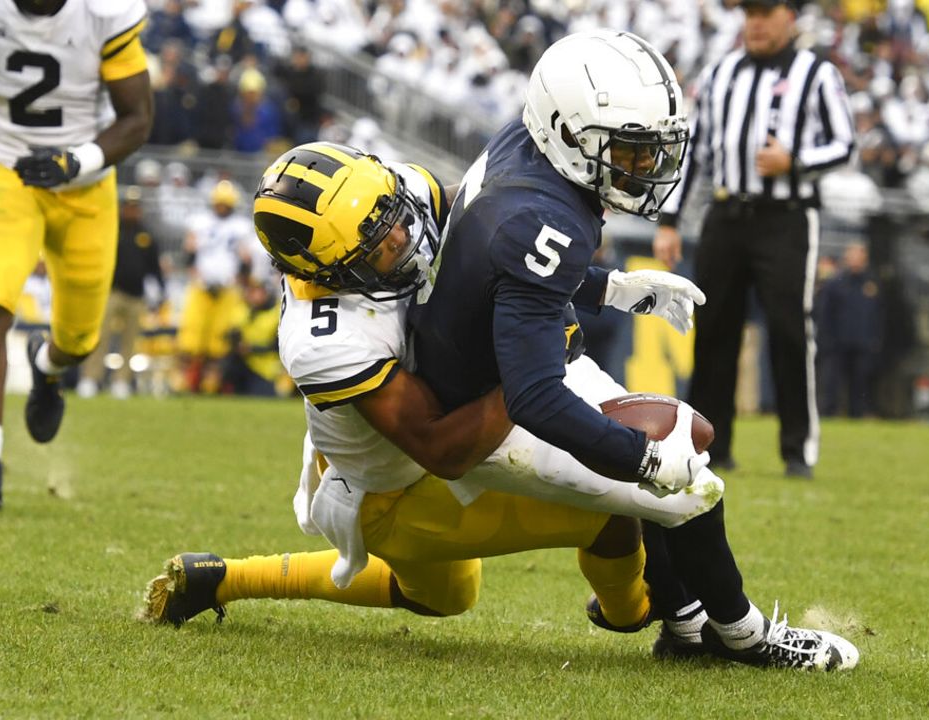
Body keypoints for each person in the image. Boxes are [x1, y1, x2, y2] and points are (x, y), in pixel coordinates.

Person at [142, 142, 721, 650]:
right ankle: (633, 612)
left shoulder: (391, 196)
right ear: (327, 273)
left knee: (591, 497)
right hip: (395, 486)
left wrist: (607, 287)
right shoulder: (326, 338)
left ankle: (223, 578)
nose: (402, 237)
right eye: (378, 248)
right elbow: (443, 450)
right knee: (470, 582)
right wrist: (526, 365)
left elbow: (492, 251)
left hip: (425, 434)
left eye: (393, 217)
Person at [411, 30, 857, 670]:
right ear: (569, 132)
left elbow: (510, 273)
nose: (645, 169)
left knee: (660, 433)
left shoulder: (524, 143)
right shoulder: (546, 217)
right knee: (687, 480)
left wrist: (615, 289)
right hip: (482, 414)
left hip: (485, 369)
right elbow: (535, 395)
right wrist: (641, 462)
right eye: (631, 151)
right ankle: (743, 637)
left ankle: (682, 623)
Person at [0, 0, 154, 509]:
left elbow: (137, 118)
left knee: (80, 339)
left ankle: (46, 366)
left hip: (85, 185)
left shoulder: (102, 12)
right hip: (8, 171)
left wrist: (76, 159)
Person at [652, 0, 856, 479]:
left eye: (766, 12)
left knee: (789, 330)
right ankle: (708, 446)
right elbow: (693, 152)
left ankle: (797, 450)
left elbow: (844, 144)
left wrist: (795, 160)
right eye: (749, 13)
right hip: (726, 213)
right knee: (715, 329)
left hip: (786, 218)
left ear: (790, 16)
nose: (756, 23)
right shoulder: (722, 72)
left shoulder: (816, 73)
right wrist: (669, 219)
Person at [78, 186, 165, 400]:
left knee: (130, 341)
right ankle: (90, 378)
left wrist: (161, 291)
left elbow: (154, 267)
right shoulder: (111, 230)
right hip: (112, 293)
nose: (131, 211)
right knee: (100, 337)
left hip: (136, 296)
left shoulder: (146, 235)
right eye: (127, 206)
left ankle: (121, 382)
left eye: (134, 207)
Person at [176, 180, 254, 394]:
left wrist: (239, 282)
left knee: (219, 339)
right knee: (191, 335)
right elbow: (189, 253)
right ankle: (185, 380)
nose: (221, 207)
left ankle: (211, 381)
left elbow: (245, 259)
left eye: (224, 203)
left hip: (227, 289)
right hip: (200, 286)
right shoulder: (199, 222)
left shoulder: (240, 226)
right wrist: (195, 274)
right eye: (219, 203)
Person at [814, 242, 881, 418]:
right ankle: (828, 414)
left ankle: (857, 414)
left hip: (862, 343)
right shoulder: (835, 283)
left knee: (859, 384)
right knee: (831, 383)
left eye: (860, 256)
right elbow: (825, 314)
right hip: (838, 343)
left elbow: (878, 314)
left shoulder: (871, 283)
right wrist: (826, 341)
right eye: (853, 256)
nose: (856, 260)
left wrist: (874, 339)